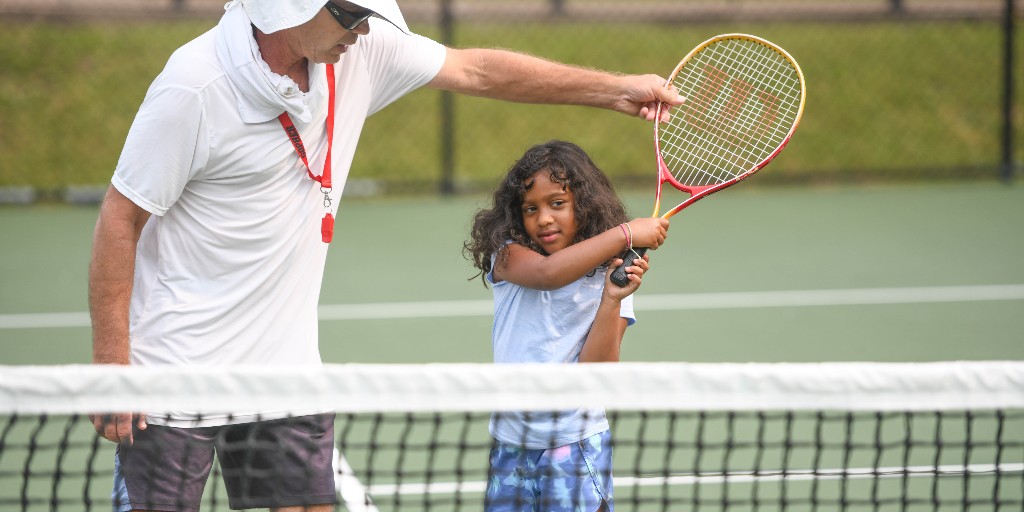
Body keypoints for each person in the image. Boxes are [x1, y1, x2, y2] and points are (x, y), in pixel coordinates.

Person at [88, 0, 684, 509]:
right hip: (175, 370)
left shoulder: (356, 53)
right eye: (349, 13)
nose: (363, 28)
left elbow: (477, 70)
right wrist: (115, 367)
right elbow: (122, 215)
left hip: (283, 370)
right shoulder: (195, 87)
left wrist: (614, 90)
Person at [463, 140, 670, 511]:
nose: (543, 218)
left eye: (557, 203)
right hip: (513, 443)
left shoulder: (617, 273)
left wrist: (611, 298)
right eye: (531, 208)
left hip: (577, 444)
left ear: (585, 204)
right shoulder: (508, 255)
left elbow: (597, 373)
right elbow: (548, 273)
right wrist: (626, 233)